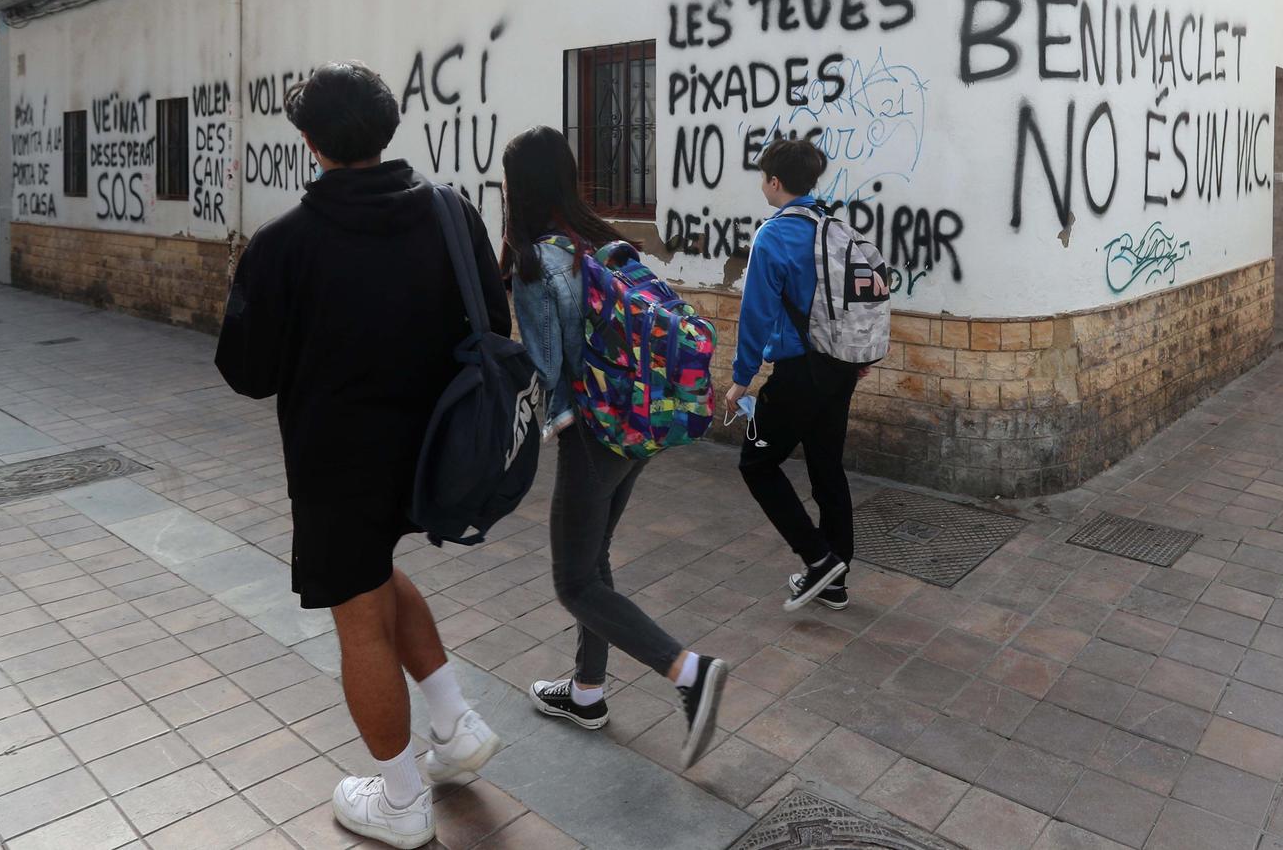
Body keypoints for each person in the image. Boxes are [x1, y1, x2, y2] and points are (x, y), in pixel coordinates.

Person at [215, 61, 503, 850]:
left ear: (308, 142)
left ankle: (403, 799)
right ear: (387, 127)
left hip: (338, 466)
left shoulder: (285, 245)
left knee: (359, 617)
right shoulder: (452, 213)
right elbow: (493, 318)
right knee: (377, 576)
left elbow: (246, 371)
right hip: (436, 454)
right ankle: (455, 721)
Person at [501, 126, 727, 768]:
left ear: (517, 188)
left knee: (573, 581)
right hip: (640, 424)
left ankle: (688, 671)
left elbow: (547, 369)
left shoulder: (536, 262)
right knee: (593, 556)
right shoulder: (607, 241)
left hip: (592, 432)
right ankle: (587, 692)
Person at [728, 137, 860, 612]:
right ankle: (837, 580)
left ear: (775, 181)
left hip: (798, 371)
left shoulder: (774, 234)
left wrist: (741, 379)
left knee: (757, 464)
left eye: (763, 176)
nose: (761, 184)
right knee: (827, 467)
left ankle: (820, 560)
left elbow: (756, 313)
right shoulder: (834, 227)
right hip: (840, 367)